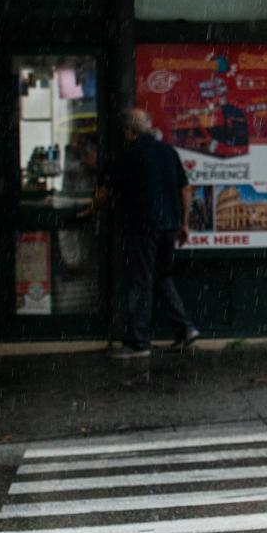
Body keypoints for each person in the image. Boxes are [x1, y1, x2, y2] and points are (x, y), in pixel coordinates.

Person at [90, 108, 199, 359]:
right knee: (162, 276)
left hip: (142, 226)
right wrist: (184, 223)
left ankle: (139, 342)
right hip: (169, 225)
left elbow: (104, 194)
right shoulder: (169, 152)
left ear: (129, 131)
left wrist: (91, 208)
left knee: (141, 281)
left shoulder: (125, 156)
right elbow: (185, 190)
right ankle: (185, 329)